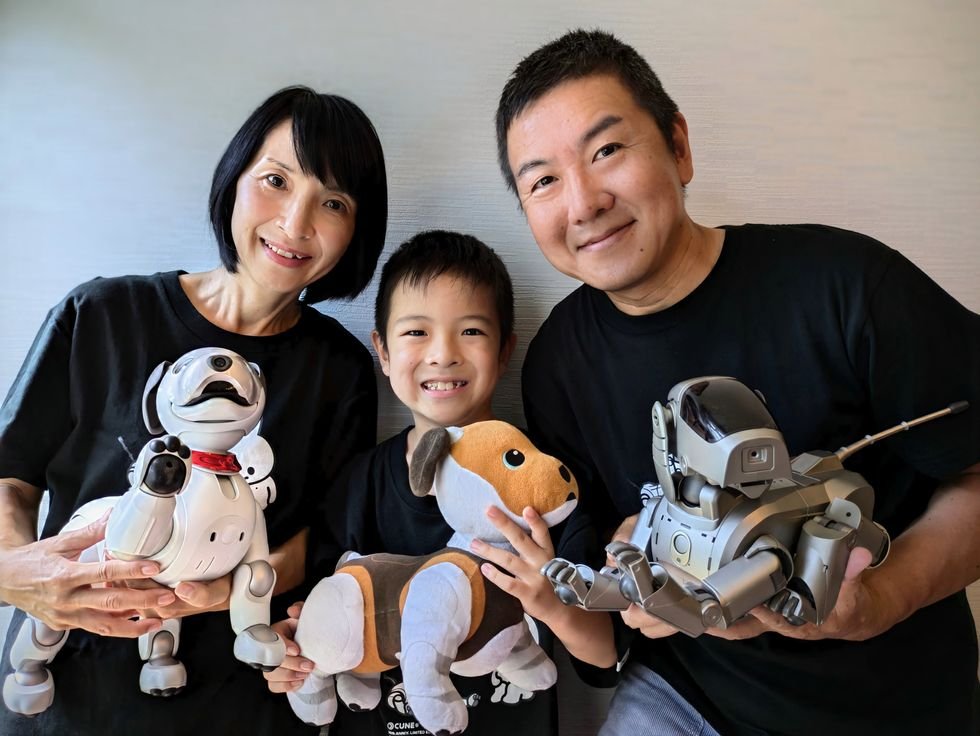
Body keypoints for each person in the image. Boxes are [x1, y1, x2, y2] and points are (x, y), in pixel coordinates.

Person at [494, 29, 980, 736]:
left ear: (679, 147)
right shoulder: (557, 364)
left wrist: (884, 596)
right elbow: (598, 555)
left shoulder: (847, 289)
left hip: (887, 705)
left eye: (606, 151)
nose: (583, 202)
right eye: (542, 181)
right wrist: (632, 573)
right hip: (686, 701)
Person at [0, 85, 388, 734]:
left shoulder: (340, 370)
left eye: (333, 202)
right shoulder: (101, 314)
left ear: (356, 230)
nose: (296, 223)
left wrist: (230, 591)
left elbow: (323, 537)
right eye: (275, 180)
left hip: (233, 699)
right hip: (65, 691)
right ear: (234, 179)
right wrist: (17, 574)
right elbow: (10, 476)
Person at [263, 229, 616, 735]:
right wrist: (292, 651)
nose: (443, 354)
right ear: (382, 352)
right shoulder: (359, 483)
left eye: (471, 331)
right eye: (416, 332)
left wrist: (551, 604)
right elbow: (316, 613)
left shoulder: (542, 488)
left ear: (504, 350)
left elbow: (602, 656)